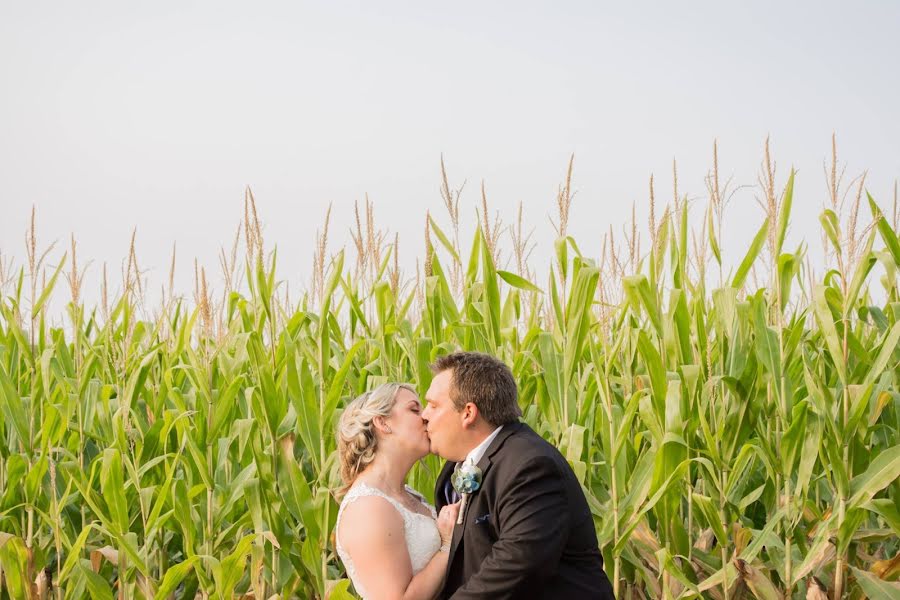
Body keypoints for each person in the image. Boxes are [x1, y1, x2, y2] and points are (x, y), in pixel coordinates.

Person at [422, 352, 615, 599]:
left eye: (433, 405)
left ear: (468, 413)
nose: (424, 415)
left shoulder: (531, 466)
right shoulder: (454, 467)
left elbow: (518, 563)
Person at [335, 382, 461, 600]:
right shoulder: (367, 508)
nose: (426, 417)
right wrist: (447, 547)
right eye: (414, 409)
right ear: (382, 423)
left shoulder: (408, 494)